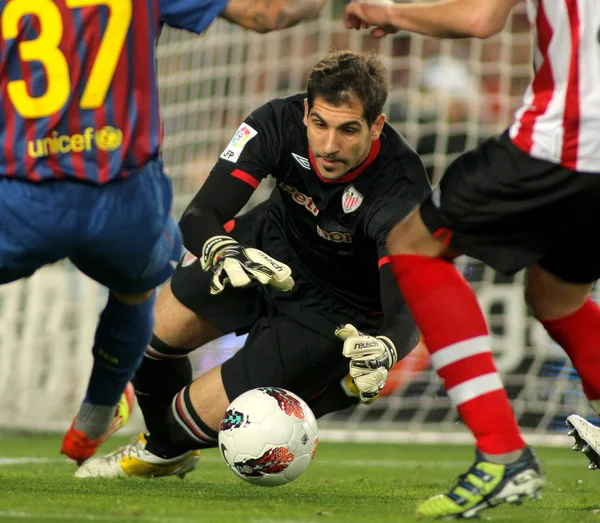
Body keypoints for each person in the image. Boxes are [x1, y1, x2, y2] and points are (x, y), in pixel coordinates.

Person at [0, 0, 329, 466]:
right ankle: (101, 403)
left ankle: (117, 408)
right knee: (136, 291)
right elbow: (267, 14)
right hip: (121, 193)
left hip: (23, 188)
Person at [73, 50, 429, 479]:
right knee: (147, 342)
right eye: (319, 124)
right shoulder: (274, 122)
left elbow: (409, 308)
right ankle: (161, 437)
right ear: (305, 112)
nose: (329, 145)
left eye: (348, 129)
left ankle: (166, 447)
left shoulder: (402, 188)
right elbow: (199, 216)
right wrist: (223, 251)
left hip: (336, 311)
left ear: (377, 125)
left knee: (182, 423)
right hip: (264, 249)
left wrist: (386, 349)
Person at [344, 0, 600, 518]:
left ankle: (502, 453)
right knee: (555, 294)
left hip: (563, 142)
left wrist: (392, 13)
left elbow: (479, 18)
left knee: (414, 244)